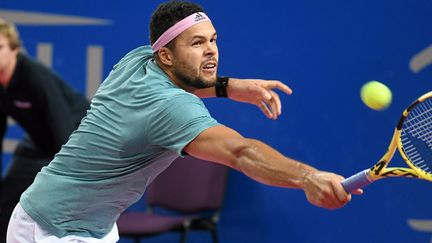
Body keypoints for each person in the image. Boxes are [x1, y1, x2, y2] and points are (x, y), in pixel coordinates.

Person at [6, 1, 362, 242]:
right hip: (54, 228)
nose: (211, 50)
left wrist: (231, 87)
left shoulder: (136, 61)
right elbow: (240, 152)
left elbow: (188, 79)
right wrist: (308, 177)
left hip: (82, 220)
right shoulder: (170, 109)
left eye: (213, 40)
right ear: (166, 55)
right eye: (196, 43)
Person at [0, 18, 91, 243]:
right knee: (5, 200)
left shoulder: (34, 77)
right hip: (38, 145)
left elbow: (63, 129)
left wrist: (67, 177)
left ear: (15, 50)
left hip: (75, 141)